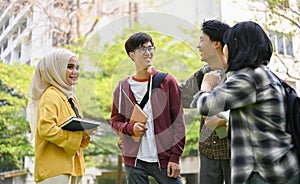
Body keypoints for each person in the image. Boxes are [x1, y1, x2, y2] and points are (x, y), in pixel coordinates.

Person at [196, 21, 300, 184]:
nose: (225, 50)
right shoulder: (264, 74)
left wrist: (206, 85)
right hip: (281, 168)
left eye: (227, 45)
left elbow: (206, 106)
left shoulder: (248, 77)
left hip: (266, 174)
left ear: (237, 46)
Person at [110, 32, 186, 184]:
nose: (148, 52)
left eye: (151, 48)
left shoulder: (167, 81)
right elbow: (115, 121)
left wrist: (175, 157)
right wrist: (131, 128)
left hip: (164, 159)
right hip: (135, 161)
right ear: (132, 55)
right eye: (142, 49)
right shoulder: (123, 88)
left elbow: (178, 122)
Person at [27, 49, 91, 184]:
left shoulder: (71, 98)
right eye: (69, 67)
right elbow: (46, 129)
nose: (75, 72)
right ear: (55, 69)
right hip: (54, 170)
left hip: (74, 166)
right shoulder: (51, 96)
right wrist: (74, 138)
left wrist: (85, 132)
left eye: (77, 67)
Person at [180, 19, 231, 184]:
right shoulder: (202, 75)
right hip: (209, 150)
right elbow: (180, 96)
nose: (198, 45)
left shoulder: (240, 75)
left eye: (202, 40)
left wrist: (223, 122)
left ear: (216, 44)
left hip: (235, 151)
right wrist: (154, 79)